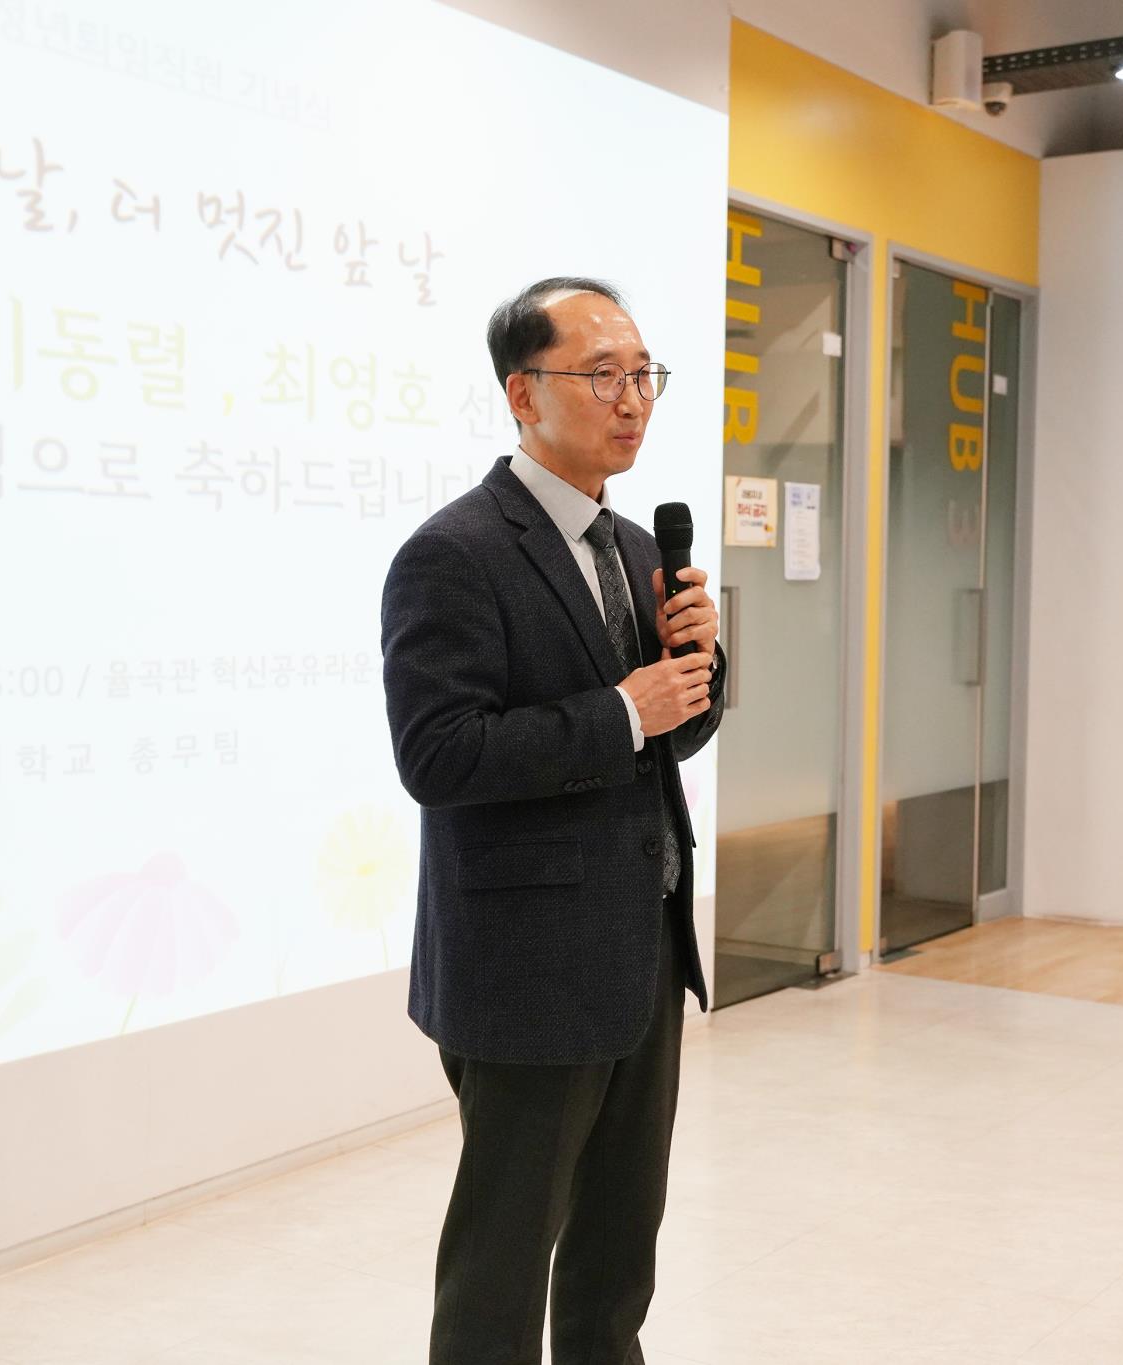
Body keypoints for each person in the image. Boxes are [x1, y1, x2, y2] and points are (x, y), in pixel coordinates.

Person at [380, 276, 725, 1363]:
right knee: (501, 1267)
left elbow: (666, 738)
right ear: (522, 394)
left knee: (618, 1257)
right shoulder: (455, 553)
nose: (633, 399)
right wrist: (621, 710)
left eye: (643, 375)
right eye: (602, 375)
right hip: (528, 967)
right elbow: (439, 756)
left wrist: (700, 667)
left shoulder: (637, 549)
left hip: (641, 949)